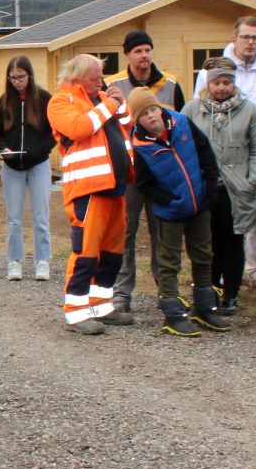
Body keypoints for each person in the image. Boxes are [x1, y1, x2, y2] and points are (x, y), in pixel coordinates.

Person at [196, 15, 256, 293]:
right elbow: (197, 113)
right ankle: (218, 272)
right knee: (219, 219)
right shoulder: (211, 71)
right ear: (234, 38)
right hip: (219, 160)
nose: (251, 42)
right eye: (246, 36)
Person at [126, 87, 226, 337]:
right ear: (137, 120)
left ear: (159, 108)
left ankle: (205, 307)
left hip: (199, 202)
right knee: (169, 261)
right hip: (170, 211)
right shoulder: (139, 147)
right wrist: (168, 199)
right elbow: (144, 184)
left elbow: (206, 153)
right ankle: (173, 313)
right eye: (144, 114)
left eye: (153, 110)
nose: (151, 117)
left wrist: (210, 186)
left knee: (203, 254)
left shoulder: (182, 123)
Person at [46, 53, 132, 334]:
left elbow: (127, 125)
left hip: (114, 186)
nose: (100, 80)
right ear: (77, 76)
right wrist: (109, 104)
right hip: (87, 188)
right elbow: (80, 128)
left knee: (111, 252)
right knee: (86, 253)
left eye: (101, 76)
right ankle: (76, 311)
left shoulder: (100, 100)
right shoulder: (61, 101)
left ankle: (101, 305)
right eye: (95, 76)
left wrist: (120, 102)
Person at [106, 30, 185, 320]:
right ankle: (121, 294)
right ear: (127, 54)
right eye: (138, 51)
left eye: (147, 50)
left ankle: (166, 292)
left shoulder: (171, 85)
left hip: (161, 172)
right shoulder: (113, 86)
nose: (144, 56)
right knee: (124, 234)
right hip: (127, 174)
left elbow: (180, 126)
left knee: (162, 233)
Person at [183, 57, 256, 317]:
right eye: (217, 82)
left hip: (236, 188)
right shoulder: (192, 110)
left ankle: (231, 292)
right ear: (208, 84)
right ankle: (208, 290)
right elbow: (183, 144)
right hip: (203, 186)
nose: (221, 88)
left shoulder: (250, 111)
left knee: (232, 241)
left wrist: (253, 178)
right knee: (204, 242)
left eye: (226, 82)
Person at [0, 55, 56, 282]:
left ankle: (42, 261)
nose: (17, 82)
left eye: (21, 77)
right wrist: (3, 149)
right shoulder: (4, 102)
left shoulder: (44, 99)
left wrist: (37, 152)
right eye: (13, 78)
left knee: (41, 215)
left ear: (29, 75)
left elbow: (53, 133)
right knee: (14, 218)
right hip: (12, 167)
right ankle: (14, 261)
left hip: (38, 165)